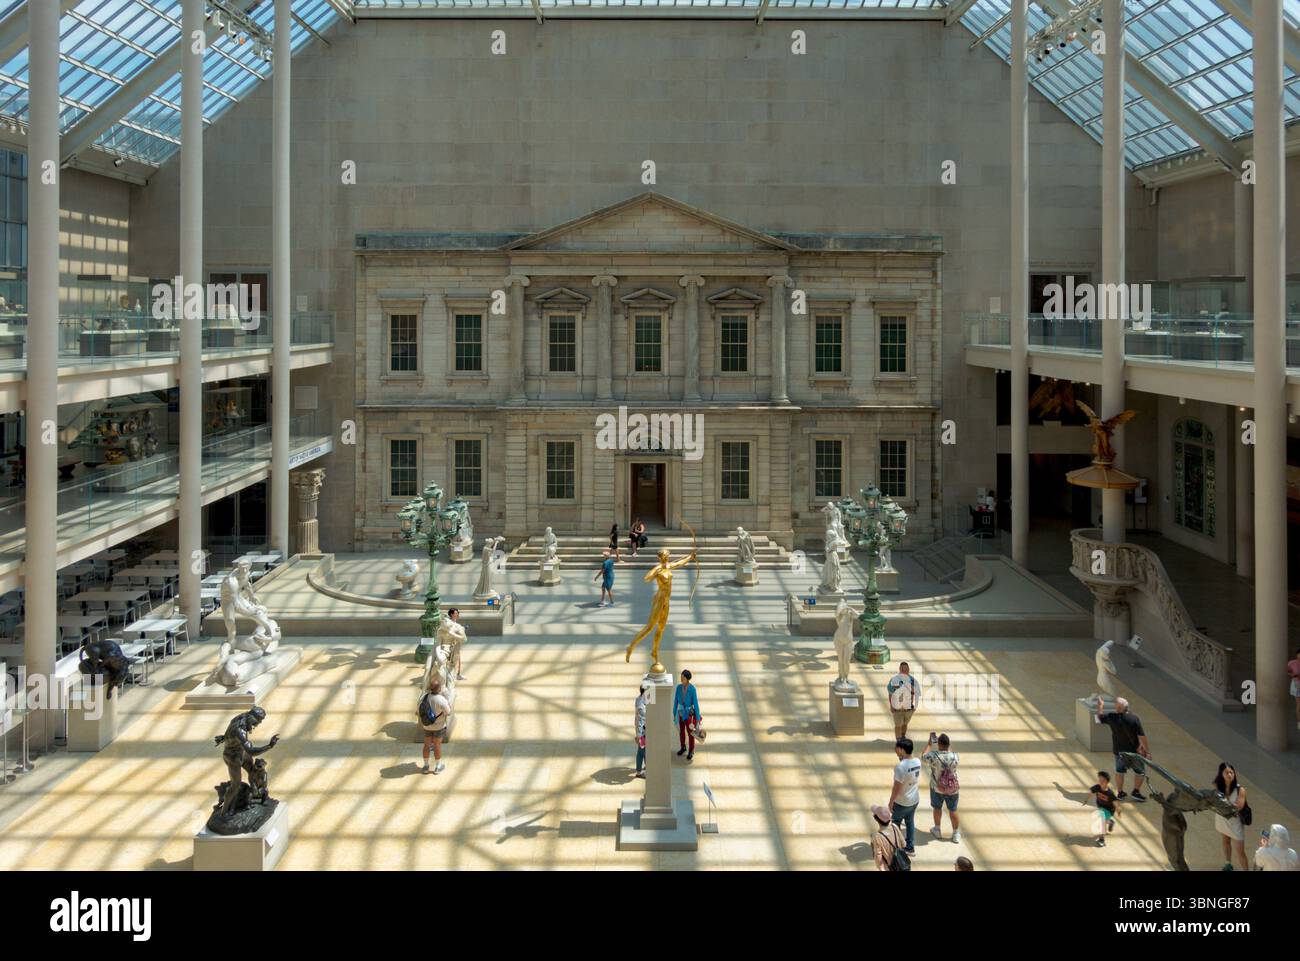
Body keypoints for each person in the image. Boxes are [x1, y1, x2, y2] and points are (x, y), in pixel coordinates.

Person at [1096, 697, 1149, 800]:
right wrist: (1147, 751)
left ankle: (1120, 793)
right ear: (1127, 707)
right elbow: (1142, 736)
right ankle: (1136, 792)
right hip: (1135, 752)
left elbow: (1098, 718)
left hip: (1119, 751)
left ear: (1117, 708)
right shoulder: (1134, 719)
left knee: (1119, 772)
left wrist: (1100, 706)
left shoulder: (1111, 717)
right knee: (1140, 772)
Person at [921, 732, 961, 843]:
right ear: (949, 744)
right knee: (953, 809)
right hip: (952, 788)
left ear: (938, 744)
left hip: (937, 788)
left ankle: (937, 829)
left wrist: (929, 744)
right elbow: (952, 752)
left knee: (937, 808)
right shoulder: (955, 756)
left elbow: (923, 756)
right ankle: (956, 833)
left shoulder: (934, 755)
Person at [888, 736, 921, 855]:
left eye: (897, 749)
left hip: (902, 801)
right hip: (914, 799)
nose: (895, 751)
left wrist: (891, 802)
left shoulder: (900, 767)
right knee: (910, 822)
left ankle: (896, 848)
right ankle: (910, 847)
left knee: (895, 824)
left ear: (902, 749)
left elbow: (896, 787)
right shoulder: (917, 761)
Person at [1213, 761, 1248, 871]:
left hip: (1235, 822)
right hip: (1222, 819)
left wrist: (1224, 805)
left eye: (1231, 772)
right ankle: (1228, 864)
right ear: (1221, 774)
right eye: (1226, 772)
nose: (1229, 775)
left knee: (1240, 851)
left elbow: (1239, 806)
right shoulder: (1218, 786)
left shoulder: (1240, 790)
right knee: (1225, 841)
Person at [418, 676, 452, 775]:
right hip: (439, 727)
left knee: (426, 745)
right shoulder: (441, 700)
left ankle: (425, 766)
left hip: (427, 726)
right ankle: (438, 767)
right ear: (439, 688)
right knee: (437, 746)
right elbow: (448, 712)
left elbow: (418, 711)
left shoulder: (424, 697)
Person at [673, 669, 701, 761]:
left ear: (687, 678)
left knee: (690, 733)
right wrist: (674, 713)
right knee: (681, 731)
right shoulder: (678, 687)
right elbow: (675, 701)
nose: (681, 678)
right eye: (681, 676)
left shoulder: (692, 689)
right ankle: (683, 747)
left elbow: (696, 704)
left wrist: (697, 720)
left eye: (683, 677)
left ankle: (691, 750)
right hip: (680, 713)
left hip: (689, 714)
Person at [886, 662, 919, 739]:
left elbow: (915, 693)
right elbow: (890, 693)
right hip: (897, 707)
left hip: (908, 708)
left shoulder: (912, 680)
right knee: (898, 725)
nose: (905, 671)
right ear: (900, 670)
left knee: (905, 723)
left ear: (909, 670)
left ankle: (903, 737)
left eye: (906, 669)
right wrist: (891, 706)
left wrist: (915, 706)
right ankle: (898, 741)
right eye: (903, 669)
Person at [870, 803, 908, 872]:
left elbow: (878, 855)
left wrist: (880, 868)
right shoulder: (894, 826)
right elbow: (904, 844)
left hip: (888, 866)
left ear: (876, 819)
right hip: (901, 863)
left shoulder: (877, 836)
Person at [1089, 771, 1120, 847]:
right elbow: (1091, 791)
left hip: (1109, 810)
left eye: (1102, 780)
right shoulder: (1097, 787)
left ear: (1107, 781)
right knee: (1104, 821)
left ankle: (1101, 839)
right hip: (1100, 807)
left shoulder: (1110, 793)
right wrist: (1087, 797)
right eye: (1099, 780)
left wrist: (1119, 811)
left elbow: (1116, 803)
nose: (1100, 782)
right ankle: (1110, 822)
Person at [633, 682, 648, 779]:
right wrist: (638, 735)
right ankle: (639, 772)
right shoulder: (640, 706)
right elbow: (640, 721)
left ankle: (647, 766)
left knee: (645, 749)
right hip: (642, 732)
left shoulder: (641, 699)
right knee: (641, 751)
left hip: (644, 731)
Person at [1289, 648, 1300, 730]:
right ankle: (1299, 722)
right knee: (1299, 704)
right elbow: (1286, 671)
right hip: (1297, 685)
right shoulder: (1292, 663)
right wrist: (1293, 675)